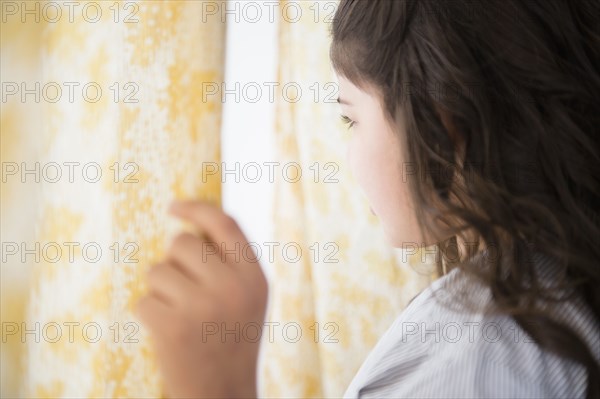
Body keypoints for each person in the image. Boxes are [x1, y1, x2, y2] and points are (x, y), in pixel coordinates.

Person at [135, 0, 600, 398]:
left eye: (351, 118)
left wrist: (218, 387)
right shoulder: (550, 284)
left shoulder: (481, 366)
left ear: (443, 126)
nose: (349, 153)